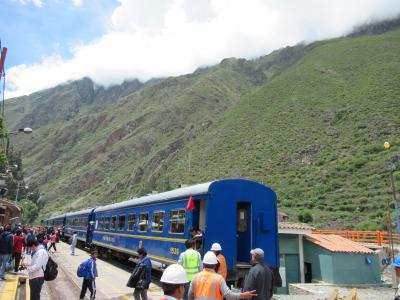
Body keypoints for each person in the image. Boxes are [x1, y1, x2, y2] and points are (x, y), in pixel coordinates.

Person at [189, 251, 257, 300]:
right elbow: (228, 295)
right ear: (215, 265)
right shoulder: (218, 279)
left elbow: (190, 295)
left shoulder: (195, 277)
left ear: (203, 264)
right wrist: (243, 295)